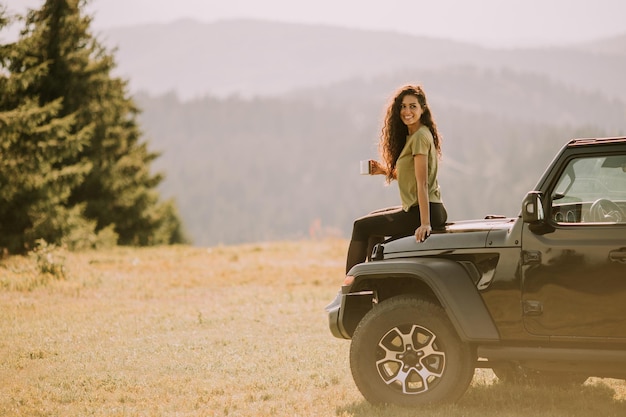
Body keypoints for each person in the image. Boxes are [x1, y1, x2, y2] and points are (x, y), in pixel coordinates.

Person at [345, 84, 447, 274]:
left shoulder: (419, 137)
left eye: (412, 106)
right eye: (403, 106)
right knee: (372, 224)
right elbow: (410, 176)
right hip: (423, 208)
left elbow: (422, 182)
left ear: (423, 109)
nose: (406, 111)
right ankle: (372, 283)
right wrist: (384, 171)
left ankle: (350, 289)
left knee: (360, 227)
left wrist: (425, 223)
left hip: (425, 211)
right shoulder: (417, 135)